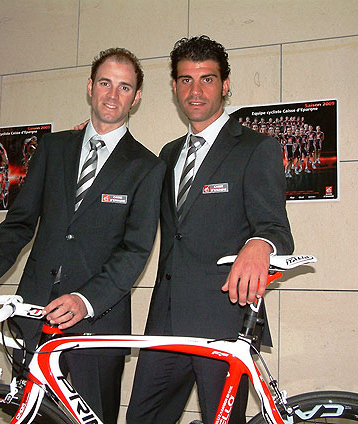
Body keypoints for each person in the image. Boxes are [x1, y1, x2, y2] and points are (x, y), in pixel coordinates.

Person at [0, 47, 166, 424]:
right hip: (33, 314)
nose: (112, 94)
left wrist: (86, 300)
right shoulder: (53, 148)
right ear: (90, 87)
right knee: (28, 417)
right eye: (105, 83)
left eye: (124, 87)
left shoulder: (147, 167)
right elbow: (20, 222)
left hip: (97, 324)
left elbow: (135, 250)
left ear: (136, 98)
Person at [126, 35, 294, 424]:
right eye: (186, 80)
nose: (196, 90)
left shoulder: (256, 148)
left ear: (225, 85)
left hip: (223, 315)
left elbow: (275, 228)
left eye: (207, 79)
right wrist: (93, 141)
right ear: (174, 87)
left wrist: (259, 244)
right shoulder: (168, 154)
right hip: (166, 319)